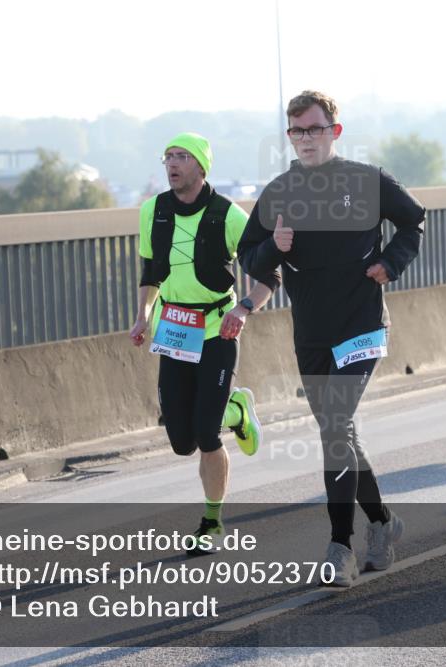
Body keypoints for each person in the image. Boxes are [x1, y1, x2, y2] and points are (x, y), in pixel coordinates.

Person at [238, 91, 426, 586]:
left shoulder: (367, 181)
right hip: (313, 334)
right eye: (297, 131)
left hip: (362, 326)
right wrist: (271, 249)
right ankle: (384, 524)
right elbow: (248, 255)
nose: (306, 139)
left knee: (337, 426)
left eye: (315, 129)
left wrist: (392, 262)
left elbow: (414, 220)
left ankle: (339, 546)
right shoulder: (279, 192)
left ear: (334, 132)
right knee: (337, 434)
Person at [130, 132, 278, 555]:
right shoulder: (152, 211)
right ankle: (237, 408)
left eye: (182, 157)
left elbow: (269, 273)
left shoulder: (228, 216)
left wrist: (244, 308)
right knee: (181, 441)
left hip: (216, 330)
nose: (172, 164)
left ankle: (211, 521)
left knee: (206, 434)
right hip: (173, 329)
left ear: (201, 166)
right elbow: (150, 269)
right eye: (168, 156)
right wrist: (142, 315)